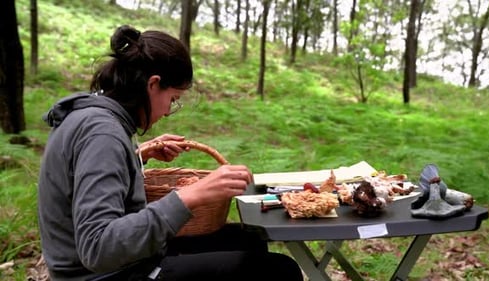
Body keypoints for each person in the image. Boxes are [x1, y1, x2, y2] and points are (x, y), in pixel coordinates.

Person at [37, 25, 304, 281]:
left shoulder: (92, 117)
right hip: (106, 275)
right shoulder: (103, 134)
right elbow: (98, 248)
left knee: (248, 240)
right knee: (280, 272)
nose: (167, 111)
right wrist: (189, 196)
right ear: (153, 84)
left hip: (114, 265)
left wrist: (136, 156)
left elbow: (84, 176)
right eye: (173, 99)